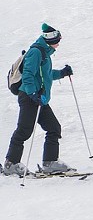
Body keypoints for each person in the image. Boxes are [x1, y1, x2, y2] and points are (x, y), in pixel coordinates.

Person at [3, 23, 74, 176]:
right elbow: (28, 74)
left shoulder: (45, 53)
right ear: (50, 40)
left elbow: (45, 75)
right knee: (24, 131)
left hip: (40, 99)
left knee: (54, 128)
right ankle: (11, 164)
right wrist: (32, 94)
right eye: (57, 40)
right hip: (30, 98)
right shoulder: (36, 52)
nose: (59, 43)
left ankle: (50, 162)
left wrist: (62, 73)